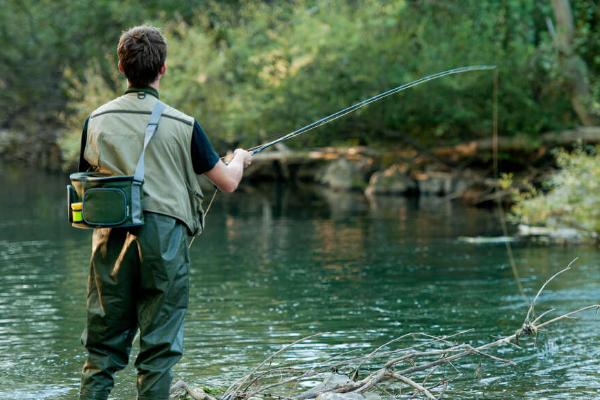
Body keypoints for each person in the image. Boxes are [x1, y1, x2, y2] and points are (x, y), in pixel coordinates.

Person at [76, 25, 252, 400]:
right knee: (159, 349)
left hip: (110, 240)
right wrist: (239, 159)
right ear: (164, 69)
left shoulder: (96, 120)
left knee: (101, 350)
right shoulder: (184, 124)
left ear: (120, 68)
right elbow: (227, 182)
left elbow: (86, 179)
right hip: (165, 241)